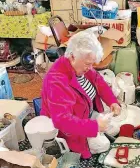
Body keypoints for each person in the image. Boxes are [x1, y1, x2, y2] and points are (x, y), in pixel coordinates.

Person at [41, 31, 121, 159]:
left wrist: (112, 101)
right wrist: (94, 127)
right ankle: (87, 141)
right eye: (88, 63)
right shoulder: (56, 81)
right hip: (69, 130)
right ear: (72, 57)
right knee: (104, 145)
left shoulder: (82, 67)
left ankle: (96, 128)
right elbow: (61, 121)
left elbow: (99, 82)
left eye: (92, 63)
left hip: (86, 114)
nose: (90, 67)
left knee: (114, 129)